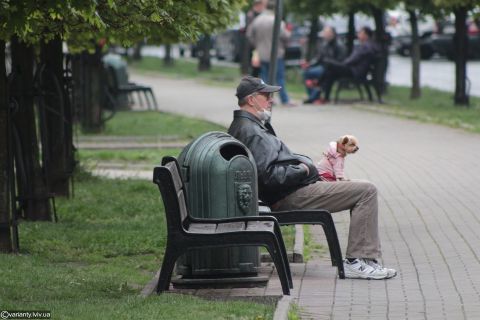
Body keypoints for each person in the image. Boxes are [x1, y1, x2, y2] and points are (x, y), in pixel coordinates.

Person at [228, 75, 397, 280]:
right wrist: (303, 170)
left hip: (293, 191)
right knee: (366, 190)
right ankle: (356, 261)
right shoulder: (251, 131)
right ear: (251, 99)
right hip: (290, 196)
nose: (271, 100)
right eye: (266, 96)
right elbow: (269, 177)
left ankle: (365, 259)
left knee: (360, 187)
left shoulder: (250, 126)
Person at [246, 1, 296, 106]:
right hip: (276, 54)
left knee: (264, 77)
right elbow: (285, 36)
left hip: (262, 53)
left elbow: (249, 35)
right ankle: (285, 99)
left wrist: (257, 45)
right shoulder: (277, 21)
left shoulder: (257, 20)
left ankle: (266, 99)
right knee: (279, 78)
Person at [319, 26, 379, 103]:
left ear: (366, 35)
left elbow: (353, 59)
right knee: (330, 72)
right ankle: (324, 95)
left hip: (355, 71)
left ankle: (318, 84)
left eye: (360, 33)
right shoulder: (368, 46)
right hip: (356, 70)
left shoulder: (365, 47)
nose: (358, 34)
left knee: (329, 63)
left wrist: (343, 64)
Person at [302, 26, 346, 104]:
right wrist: (309, 64)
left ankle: (314, 96)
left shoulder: (339, 45)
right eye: (324, 33)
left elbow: (341, 62)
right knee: (306, 72)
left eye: (326, 33)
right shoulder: (325, 44)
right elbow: (318, 58)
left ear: (332, 34)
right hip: (324, 67)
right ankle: (314, 96)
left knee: (325, 73)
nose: (324, 35)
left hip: (333, 69)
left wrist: (328, 61)